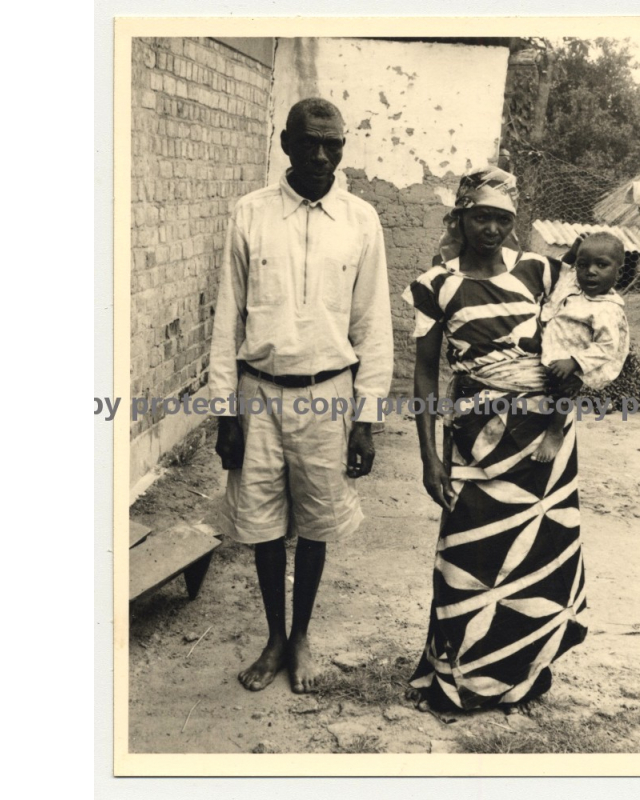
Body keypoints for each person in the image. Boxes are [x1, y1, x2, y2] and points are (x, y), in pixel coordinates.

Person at [209, 98, 393, 694]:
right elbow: (226, 318)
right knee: (262, 524)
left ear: (344, 146)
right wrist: (224, 412)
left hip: (330, 397)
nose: (321, 155)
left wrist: (366, 417)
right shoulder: (250, 213)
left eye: (333, 144)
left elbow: (373, 325)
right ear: (284, 143)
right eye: (309, 142)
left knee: (316, 522)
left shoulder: (362, 220)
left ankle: (302, 636)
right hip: (258, 395)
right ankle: (273, 637)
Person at [402, 167, 587, 713]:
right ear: (460, 217)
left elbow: (576, 338)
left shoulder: (541, 272)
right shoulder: (436, 286)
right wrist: (430, 456)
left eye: (503, 220)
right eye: (481, 216)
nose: (492, 229)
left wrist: (560, 413)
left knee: (539, 553)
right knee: (470, 552)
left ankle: (522, 675)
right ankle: (459, 676)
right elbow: (424, 374)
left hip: (544, 442)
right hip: (474, 439)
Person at [532, 232, 630, 462]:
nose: (591, 271)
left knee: (564, 389)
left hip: (576, 355)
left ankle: (555, 430)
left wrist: (574, 362)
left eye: (602, 265)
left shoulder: (607, 309)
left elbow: (607, 347)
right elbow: (563, 273)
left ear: (619, 272)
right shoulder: (576, 285)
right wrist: (573, 252)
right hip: (553, 337)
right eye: (583, 265)